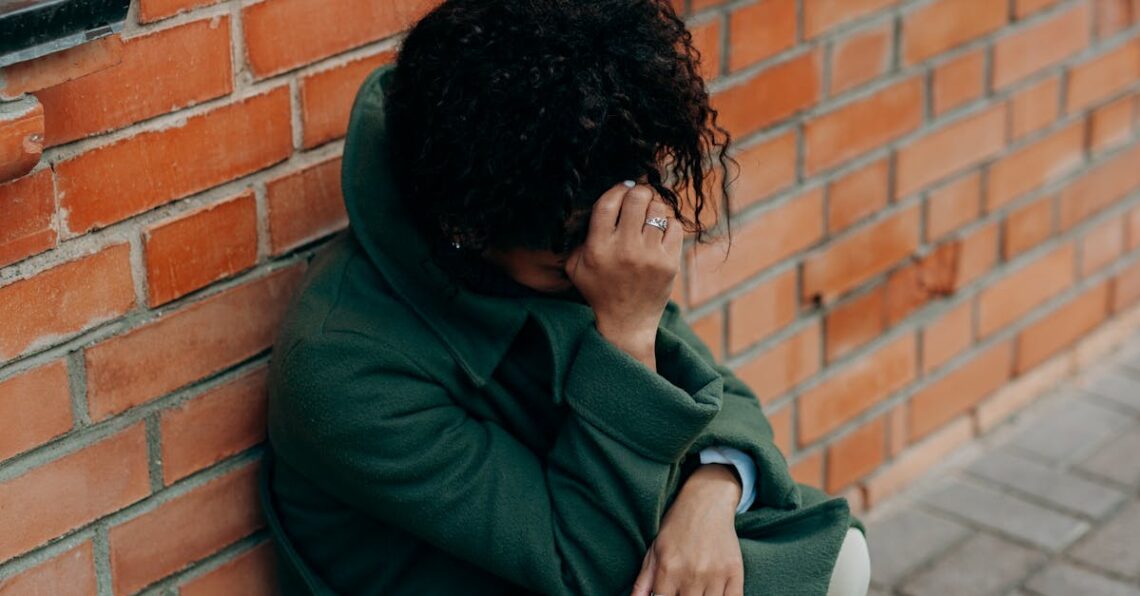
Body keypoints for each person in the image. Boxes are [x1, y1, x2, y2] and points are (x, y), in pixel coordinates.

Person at [257, 1, 870, 594]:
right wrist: (627, 336)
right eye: (574, 239)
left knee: (821, 551)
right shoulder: (343, 366)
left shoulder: (550, 236)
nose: (604, 255)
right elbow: (585, 567)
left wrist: (713, 489)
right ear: (466, 227)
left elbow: (719, 394)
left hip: (591, 536)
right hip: (538, 569)